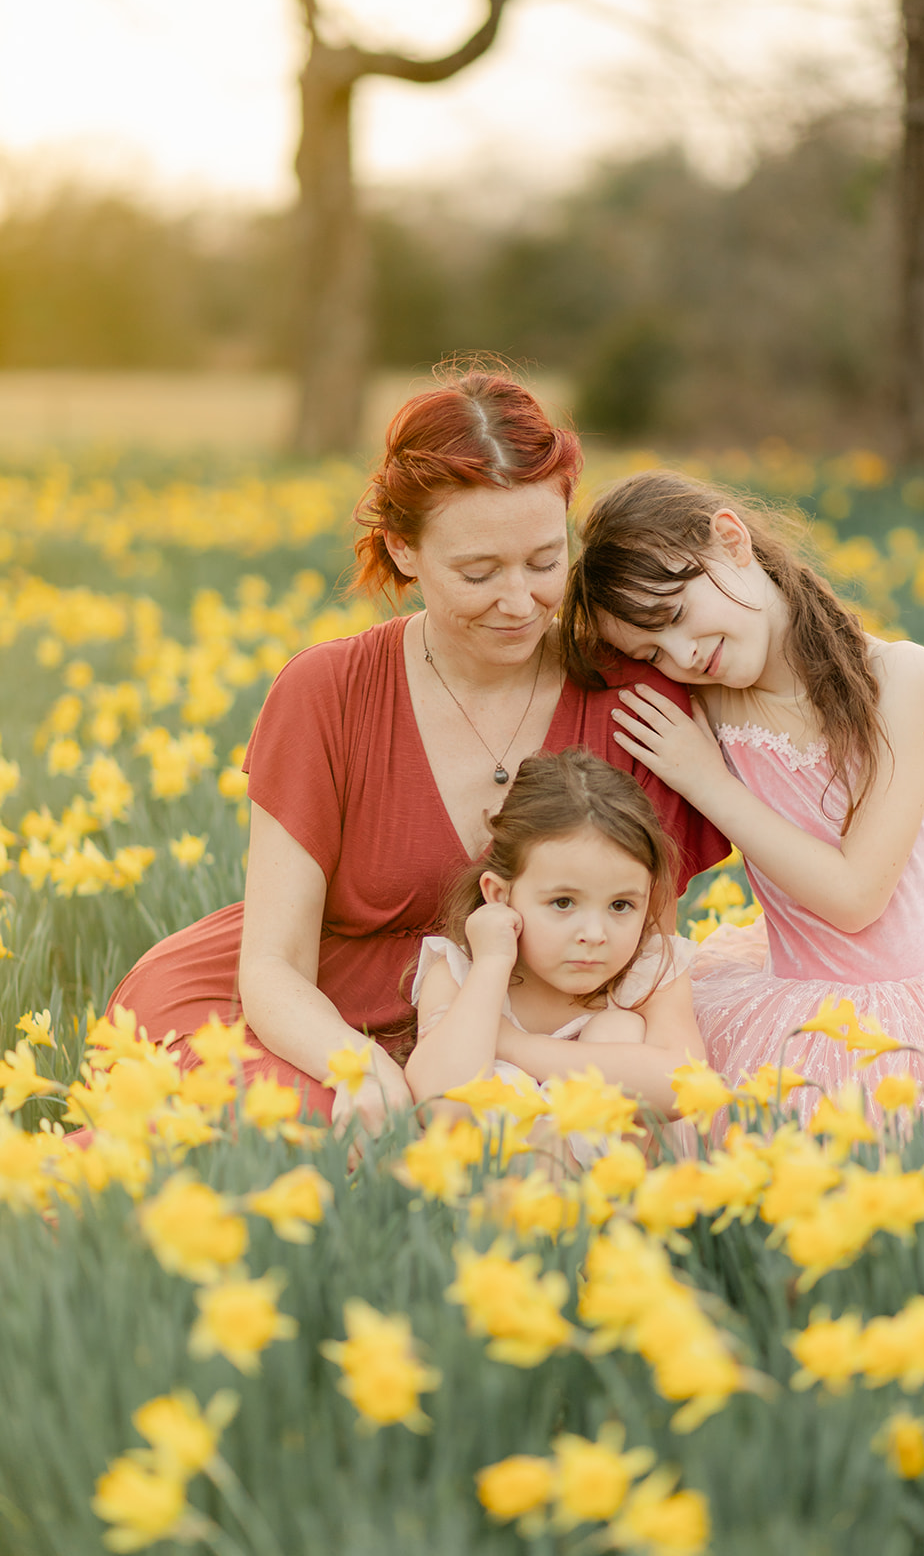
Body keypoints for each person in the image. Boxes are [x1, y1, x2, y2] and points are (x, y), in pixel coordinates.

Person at [104, 375, 728, 1140]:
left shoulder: (631, 703)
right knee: (307, 1138)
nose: (518, 601)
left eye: (542, 561)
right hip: (295, 1020)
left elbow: (632, 970)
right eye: (477, 572)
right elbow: (271, 967)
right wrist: (360, 1069)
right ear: (403, 548)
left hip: (497, 1041)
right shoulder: (327, 690)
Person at [560, 469, 924, 1112]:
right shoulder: (705, 704)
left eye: (677, 616)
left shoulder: (900, 678)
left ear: (731, 540)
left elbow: (857, 897)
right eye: (653, 652)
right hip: (801, 1017)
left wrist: (705, 779)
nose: (681, 656)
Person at [406, 747, 702, 1123]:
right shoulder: (460, 975)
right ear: (500, 895)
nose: (594, 934)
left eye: (621, 905)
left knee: (618, 1027)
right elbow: (443, 1105)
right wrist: (493, 964)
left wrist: (516, 1045)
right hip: (502, 1173)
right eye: (563, 903)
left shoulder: (647, 975)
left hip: (615, 1174)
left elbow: (686, 1086)